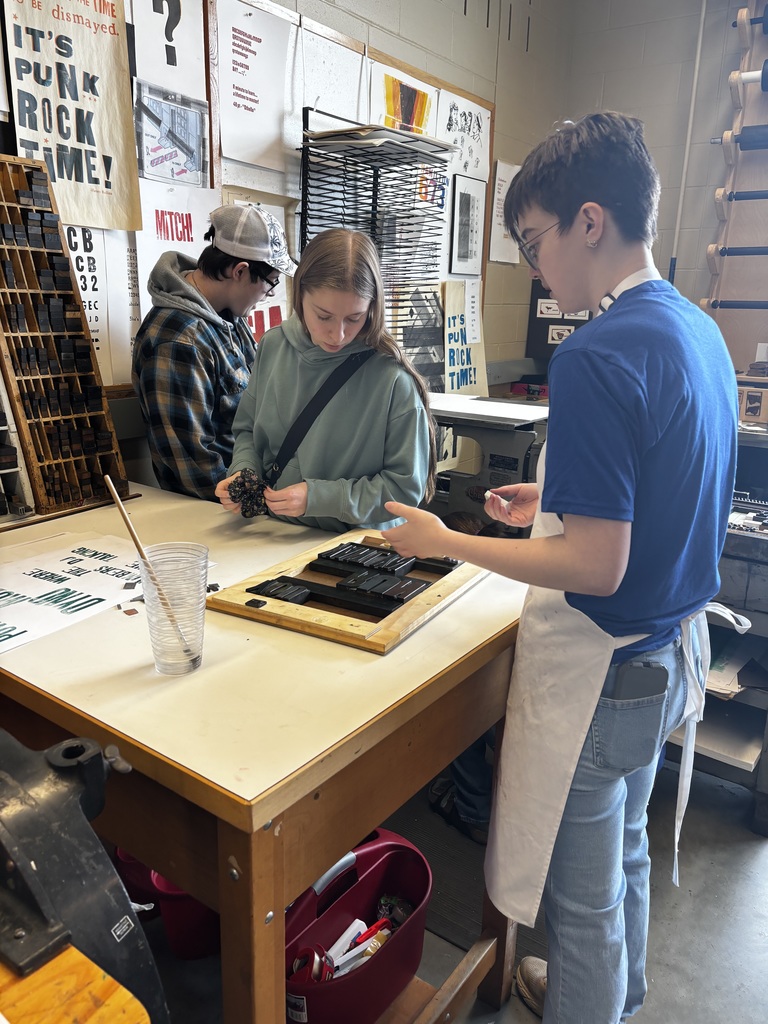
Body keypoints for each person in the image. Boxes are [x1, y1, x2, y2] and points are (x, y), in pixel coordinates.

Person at [381, 112, 741, 1023]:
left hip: (608, 669)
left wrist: (448, 541)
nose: (535, 267)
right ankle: (620, 995)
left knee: (579, 909)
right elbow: (667, 481)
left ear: (590, 221)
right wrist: (552, 494)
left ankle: (591, 996)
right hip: (669, 660)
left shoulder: (596, 353)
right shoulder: (698, 331)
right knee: (625, 851)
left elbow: (596, 563)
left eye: (534, 242)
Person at [215, 228, 437, 532]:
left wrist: (322, 498)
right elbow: (248, 433)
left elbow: (405, 488)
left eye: (355, 318)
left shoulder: (392, 377)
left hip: (357, 547)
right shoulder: (273, 345)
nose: (339, 334)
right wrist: (243, 473)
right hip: (273, 532)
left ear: (373, 308)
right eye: (323, 316)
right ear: (300, 296)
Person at [132, 204, 296, 501]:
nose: (269, 295)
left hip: (257, 494)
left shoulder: (230, 318)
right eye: (271, 283)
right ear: (240, 271)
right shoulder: (178, 340)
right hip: (219, 511)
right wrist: (265, 505)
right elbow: (194, 467)